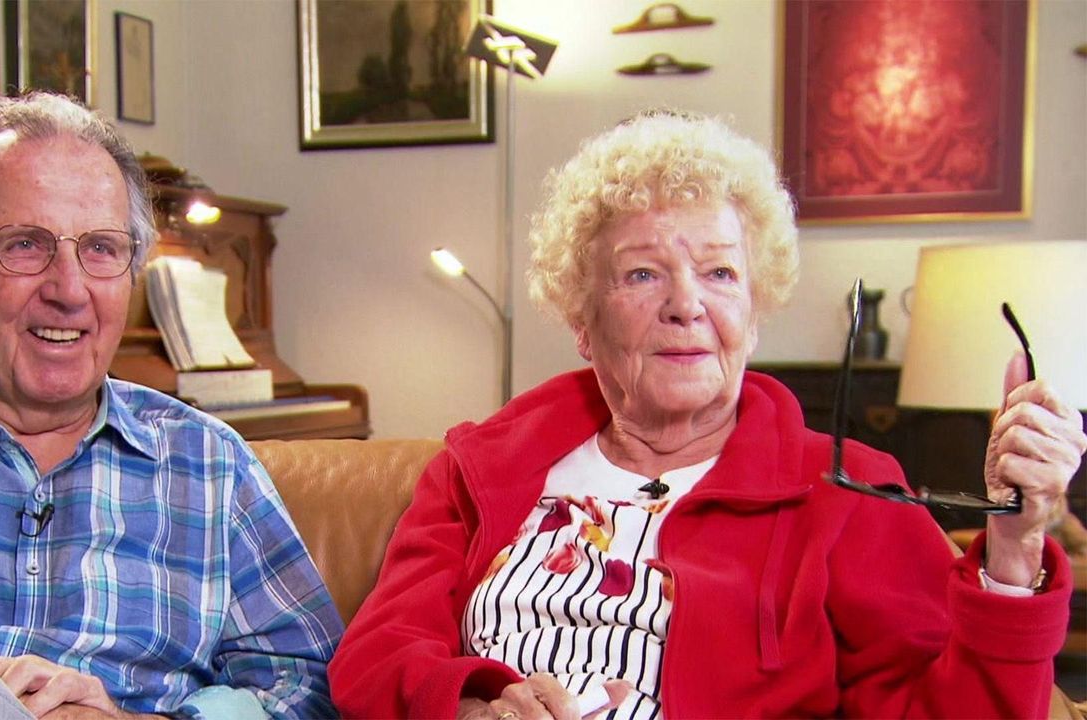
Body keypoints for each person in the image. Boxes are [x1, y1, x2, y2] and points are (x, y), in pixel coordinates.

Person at [327, 110, 1087, 719]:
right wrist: (469, 706)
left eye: (720, 272)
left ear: (753, 313)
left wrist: (1014, 547)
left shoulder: (846, 491)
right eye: (642, 274)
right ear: (582, 320)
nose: (686, 304)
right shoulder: (482, 469)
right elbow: (376, 657)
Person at [0, 92, 343, 719]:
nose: (68, 290)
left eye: (101, 249)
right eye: (24, 245)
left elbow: (309, 690)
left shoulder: (209, 462)